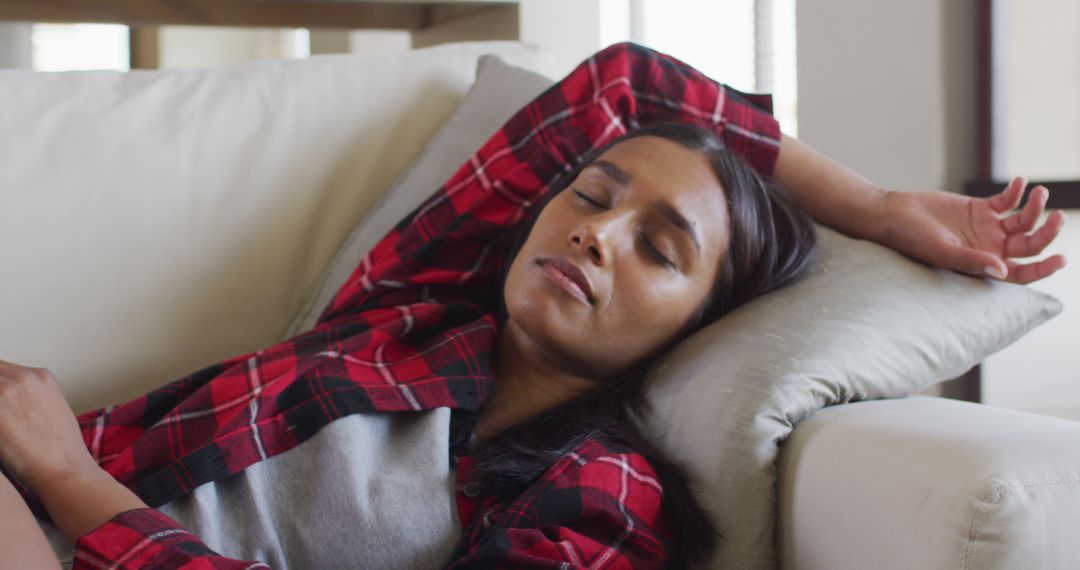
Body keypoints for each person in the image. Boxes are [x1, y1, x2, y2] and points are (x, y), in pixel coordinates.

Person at [0, 42, 1067, 569]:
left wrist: (68, 478)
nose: (594, 231)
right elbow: (628, 89)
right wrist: (875, 203)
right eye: (591, 197)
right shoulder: (401, 320)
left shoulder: (597, 490)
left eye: (657, 248)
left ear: (698, 323)